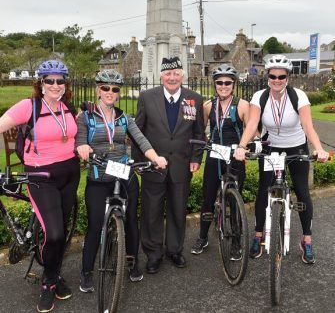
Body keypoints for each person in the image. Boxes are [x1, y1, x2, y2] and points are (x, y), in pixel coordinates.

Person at [76, 69, 167, 291]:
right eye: (105, 88)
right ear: (99, 90)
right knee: (95, 225)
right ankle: (86, 272)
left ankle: (131, 263)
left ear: (119, 93)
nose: (110, 92)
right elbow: (79, 140)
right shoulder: (86, 117)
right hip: (99, 177)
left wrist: (156, 158)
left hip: (124, 174)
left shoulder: (124, 118)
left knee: (130, 222)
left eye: (114, 89)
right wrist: (83, 147)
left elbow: (141, 140)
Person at [0, 60, 80, 313]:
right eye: (50, 80)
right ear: (41, 83)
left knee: (62, 232)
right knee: (54, 233)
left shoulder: (68, 106)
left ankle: (54, 273)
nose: (56, 85)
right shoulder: (29, 106)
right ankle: (48, 282)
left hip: (70, 173)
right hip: (40, 175)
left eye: (60, 80)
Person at [234, 54, 329, 264]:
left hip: (296, 147)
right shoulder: (260, 96)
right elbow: (252, 125)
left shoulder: (299, 96)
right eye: (273, 76)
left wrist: (320, 149)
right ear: (267, 76)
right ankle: (258, 236)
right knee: (263, 190)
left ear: (288, 78)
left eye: (281, 77)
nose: (277, 80)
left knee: (302, 191)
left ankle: (306, 240)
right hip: (271, 149)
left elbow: (308, 126)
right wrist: (242, 146)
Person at [133, 56, 205, 274]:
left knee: (177, 210)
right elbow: (137, 131)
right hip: (154, 166)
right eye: (168, 74)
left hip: (181, 166)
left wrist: (195, 158)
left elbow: (199, 132)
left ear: (182, 76)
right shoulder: (147, 97)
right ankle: (153, 255)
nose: (172, 78)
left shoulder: (194, 99)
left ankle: (174, 250)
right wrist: (140, 162)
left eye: (176, 74)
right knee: (151, 212)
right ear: (161, 76)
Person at [191, 64, 250, 256]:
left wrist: (245, 147)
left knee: (234, 201)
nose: (223, 86)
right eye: (219, 82)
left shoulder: (242, 105)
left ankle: (236, 241)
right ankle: (202, 237)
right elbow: (201, 130)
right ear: (215, 84)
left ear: (233, 85)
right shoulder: (208, 105)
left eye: (227, 82)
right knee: (208, 199)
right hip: (215, 156)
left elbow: (251, 131)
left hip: (235, 157)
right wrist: (202, 146)